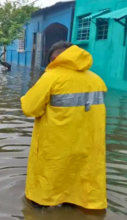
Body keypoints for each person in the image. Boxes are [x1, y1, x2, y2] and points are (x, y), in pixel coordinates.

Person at [21, 41, 107, 210]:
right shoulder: (97, 80)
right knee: (78, 187)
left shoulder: (52, 77)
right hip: (87, 146)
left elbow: (29, 108)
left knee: (42, 196)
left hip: (56, 146)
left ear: (54, 58)